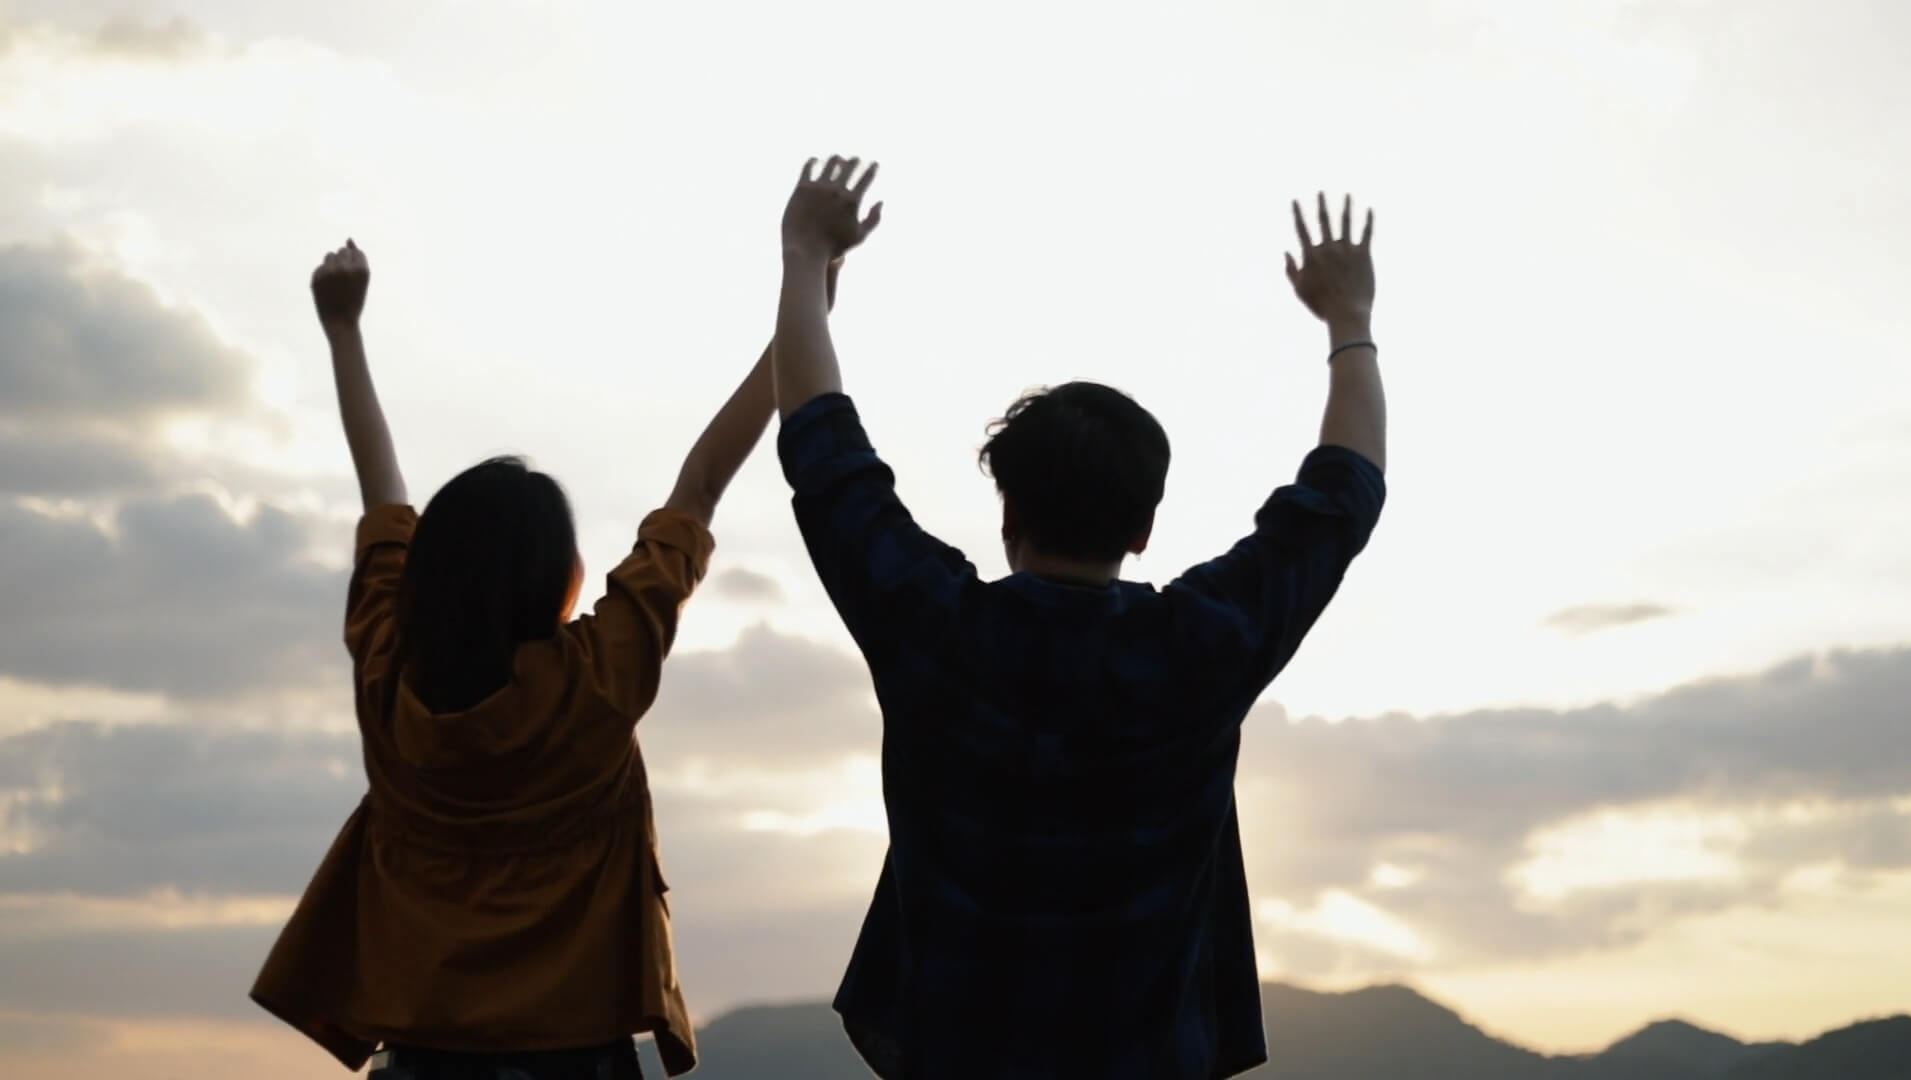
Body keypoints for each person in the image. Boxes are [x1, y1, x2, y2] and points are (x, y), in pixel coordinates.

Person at [771, 156, 1388, 1079]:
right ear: (1144, 530)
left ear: (1008, 511)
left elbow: (824, 454)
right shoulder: (1201, 649)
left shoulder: (935, 629)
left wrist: (803, 258)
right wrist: (1350, 324)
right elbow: (1343, 498)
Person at [251, 238, 867, 1079]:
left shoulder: (387, 668)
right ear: (563, 582)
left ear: (424, 574)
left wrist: (342, 331)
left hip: (426, 1057)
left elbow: (380, 493)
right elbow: (702, 486)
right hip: (578, 1057)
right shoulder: (599, 673)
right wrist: (802, 317)